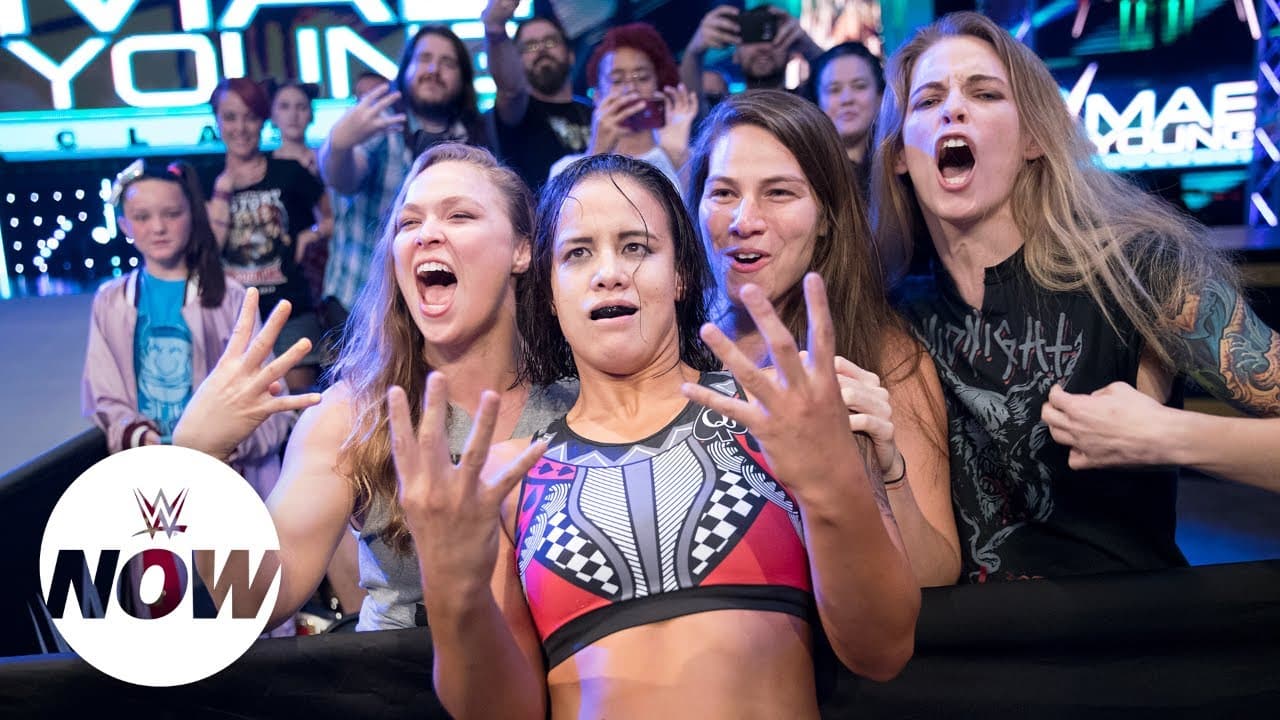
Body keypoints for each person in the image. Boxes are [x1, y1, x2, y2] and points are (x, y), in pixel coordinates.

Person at [391, 153, 919, 718]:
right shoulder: (505, 477)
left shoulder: (781, 413)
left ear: (681, 274)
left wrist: (834, 486)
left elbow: (882, 651)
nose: (609, 272)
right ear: (547, 290)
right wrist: (454, 589)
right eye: (577, 253)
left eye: (636, 247)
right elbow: (502, 713)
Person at [872, 11, 1280, 583]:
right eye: (927, 100)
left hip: (1122, 638)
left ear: (1034, 138)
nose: (953, 109)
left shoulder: (1139, 270)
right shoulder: (891, 312)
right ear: (898, 155)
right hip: (970, 648)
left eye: (985, 93)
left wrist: (1166, 436)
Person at [172, 143, 575, 632]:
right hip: (406, 688)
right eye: (408, 223)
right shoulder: (353, 414)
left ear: (522, 249)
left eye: (460, 215)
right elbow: (256, 598)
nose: (427, 233)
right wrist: (199, 460)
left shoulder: (579, 395)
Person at [685, 89, 958, 586]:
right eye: (723, 192)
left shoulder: (884, 355)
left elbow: (936, 574)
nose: (744, 221)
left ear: (827, 218)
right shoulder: (673, 351)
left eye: (779, 193)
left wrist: (885, 466)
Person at [319, 25, 489, 333]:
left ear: (463, 79)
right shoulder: (382, 123)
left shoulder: (473, 138)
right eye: (424, 59)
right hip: (359, 303)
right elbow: (342, 177)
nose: (434, 69)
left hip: (438, 303)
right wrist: (339, 144)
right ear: (406, 68)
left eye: (447, 63)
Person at [206, 77, 327, 392]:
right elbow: (208, 251)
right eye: (230, 117)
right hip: (230, 318)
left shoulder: (290, 171)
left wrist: (310, 233)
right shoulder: (207, 180)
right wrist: (222, 192)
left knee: (297, 419)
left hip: (289, 311)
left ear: (263, 120)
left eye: (250, 116)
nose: (241, 127)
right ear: (217, 121)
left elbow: (332, 217)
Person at [547, 22, 696, 193]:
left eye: (642, 77)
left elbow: (701, 216)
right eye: (617, 80)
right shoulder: (565, 169)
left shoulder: (690, 158)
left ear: (659, 86)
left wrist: (678, 157)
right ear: (597, 96)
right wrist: (597, 153)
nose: (631, 88)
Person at [483, 1, 592, 190]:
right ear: (516, 61)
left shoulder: (596, 112)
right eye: (530, 46)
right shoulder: (517, 111)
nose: (542, 49)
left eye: (551, 41)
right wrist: (495, 31)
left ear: (571, 55)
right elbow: (511, 89)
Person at [680, 4, 822, 112]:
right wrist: (694, 51)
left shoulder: (810, 106)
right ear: (735, 54)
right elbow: (689, 106)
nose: (763, 48)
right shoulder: (723, 112)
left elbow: (837, 77)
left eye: (771, 36)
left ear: (792, 50)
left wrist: (809, 46)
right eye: (752, 36)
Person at [804, 41, 884, 193]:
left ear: (880, 96)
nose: (847, 99)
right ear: (817, 101)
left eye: (860, 86)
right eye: (834, 90)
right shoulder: (803, 174)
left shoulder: (901, 172)